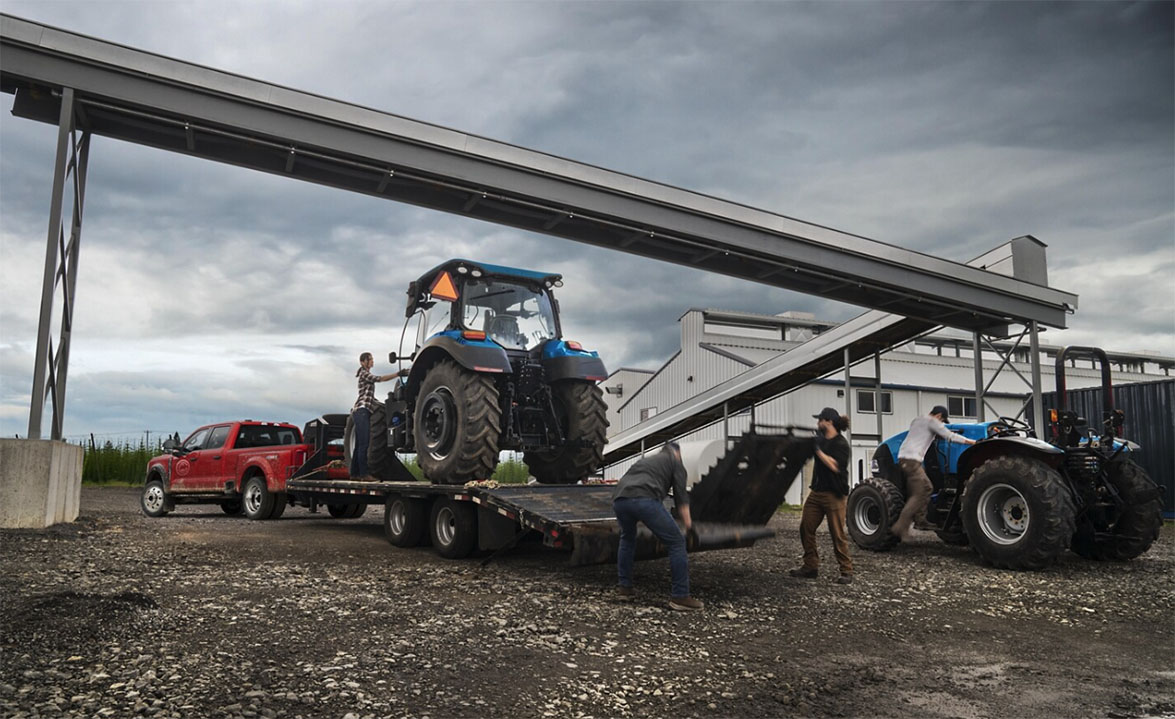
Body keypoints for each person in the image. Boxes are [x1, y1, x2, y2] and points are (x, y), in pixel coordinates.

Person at [612, 441, 703, 611]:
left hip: (620, 499)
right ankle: (680, 596)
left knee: (627, 539)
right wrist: (690, 527)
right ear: (677, 453)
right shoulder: (675, 462)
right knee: (676, 542)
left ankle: (624, 588)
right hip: (645, 499)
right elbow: (681, 498)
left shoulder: (645, 461)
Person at [890, 405, 977, 541]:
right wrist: (972, 442)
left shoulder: (918, 420)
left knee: (928, 487)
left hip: (906, 459)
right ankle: (900, 527)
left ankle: (921, 519)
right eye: (942, 421)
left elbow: (923, 435)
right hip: (912, 461)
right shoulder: (932, 422)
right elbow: (950, 436)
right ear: (938, 416)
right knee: (919, 493)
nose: (942, 423)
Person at [789, 407, 855, 584]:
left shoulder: (841, 444)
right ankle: (810, 566)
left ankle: (846, 571)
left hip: (834, 495)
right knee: (806, 528)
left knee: (837, 534)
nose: (817, 423)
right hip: (816, 492)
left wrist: (817, 450)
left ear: (829, 422)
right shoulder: (820, 439)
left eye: (820, 420)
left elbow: (834, 466)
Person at [351, 352, 407, 481]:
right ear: (363, 361)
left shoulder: (363, 374)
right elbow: (380, 379)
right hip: (362, 411)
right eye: (370, 360)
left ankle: (354, 474)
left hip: (362, 411)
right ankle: (364, 474)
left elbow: (368, 394)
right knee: (364, 444)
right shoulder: (365, 373)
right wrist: (397, 374)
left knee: (359, 444)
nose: (372, 362)